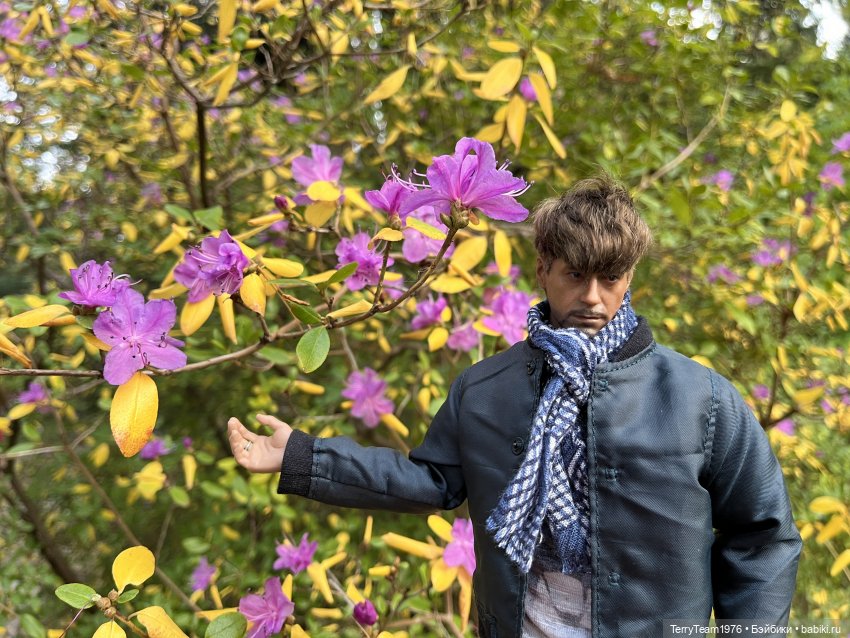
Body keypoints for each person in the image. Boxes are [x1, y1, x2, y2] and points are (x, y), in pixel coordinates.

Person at [227, 175, 801, 638]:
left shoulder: (700, 398)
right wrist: (300, 456)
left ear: (630, 276)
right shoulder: (485, 390)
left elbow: (763, 535)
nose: (593, 297)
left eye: (611, 277)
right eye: (575, 275)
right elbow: (430, 482)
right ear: (543, 268)